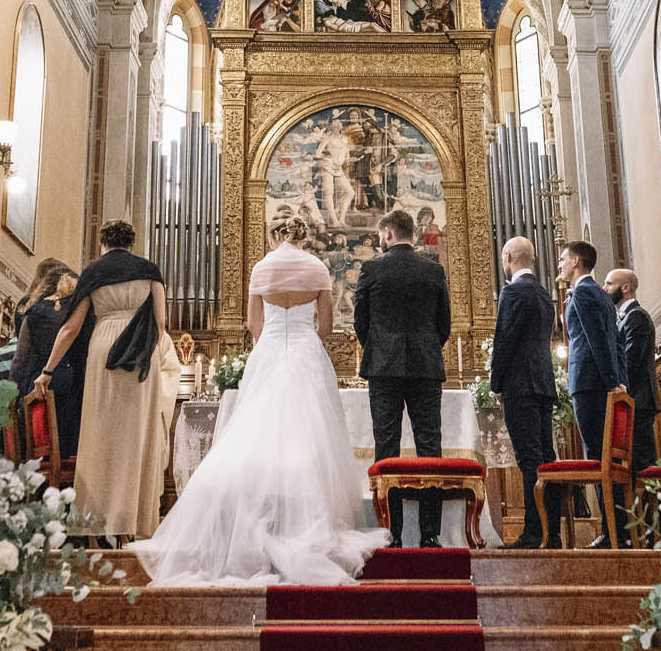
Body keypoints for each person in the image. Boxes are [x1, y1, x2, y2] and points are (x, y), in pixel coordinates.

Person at [131, 218, 389, 585]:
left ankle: (260, 518)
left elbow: (255, 326)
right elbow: (327, 326)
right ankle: (305, 523)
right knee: (308, 437)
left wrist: (273, 341)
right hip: (305, 352)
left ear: (276, 235)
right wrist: (303, 339)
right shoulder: (316, 267)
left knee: (257, 432)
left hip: (268, 351)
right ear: (304, 237)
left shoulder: (262, 267)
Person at [30, 222, 182, 542]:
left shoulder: (93, 272)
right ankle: (133, 522)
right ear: (132, 242)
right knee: (137, 435)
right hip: (141, 352)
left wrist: (47, 370)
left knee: (101, 435)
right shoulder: (150, 271)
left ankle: (97, 525)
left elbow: (71, 328)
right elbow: (160, 323)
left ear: (103, 243)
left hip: (104, 348)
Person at [355, 207, 451, 547]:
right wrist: (425, 347)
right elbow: (444, 325)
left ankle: (391, 533)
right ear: (411, 233)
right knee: (430, 445)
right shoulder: (433, 270)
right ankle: (430, 534)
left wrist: (379, 347)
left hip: (383, 367)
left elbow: (360, 322)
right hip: (426, 366)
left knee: (387, 448)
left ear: (387, 234)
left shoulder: (371, 268)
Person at [558, 241, 626, 547]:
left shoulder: (583, 292)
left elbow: (598, 340)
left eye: (562, 259)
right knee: (607, 457)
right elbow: (615, 342)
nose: (559, 264)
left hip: (589, 383)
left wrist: (611, 380)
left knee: (598, 457)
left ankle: (611, 533)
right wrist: (619, 380)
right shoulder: (601, 293)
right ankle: (617, 529)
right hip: (602, 381)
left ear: (575, 260)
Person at [490, 237, 556, 548]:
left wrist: (496, 383)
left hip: (521, 385)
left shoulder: (513, 291)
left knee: (529, 460)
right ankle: (550, 532)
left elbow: (504, 339)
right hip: (543, 383)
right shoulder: (544, 295)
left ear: (508, 256)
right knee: (546, 459)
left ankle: (533, 533)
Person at [606, 268, 659, 545]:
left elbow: (631, 360)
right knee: (634, 469)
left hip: (639, 402)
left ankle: (654, 532)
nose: (605, 288)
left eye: (610, 283)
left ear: (625, 287)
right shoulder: (623, 318)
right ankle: (637, 532)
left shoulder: (636, 317)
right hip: (633, 403)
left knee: (644, 467)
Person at [10, 258, 83, 456]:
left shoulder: (33, 311)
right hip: (75, 387)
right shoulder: (79, 311)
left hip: (38, 386)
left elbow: (20, 359)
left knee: (37, 441)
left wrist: (12, 397)